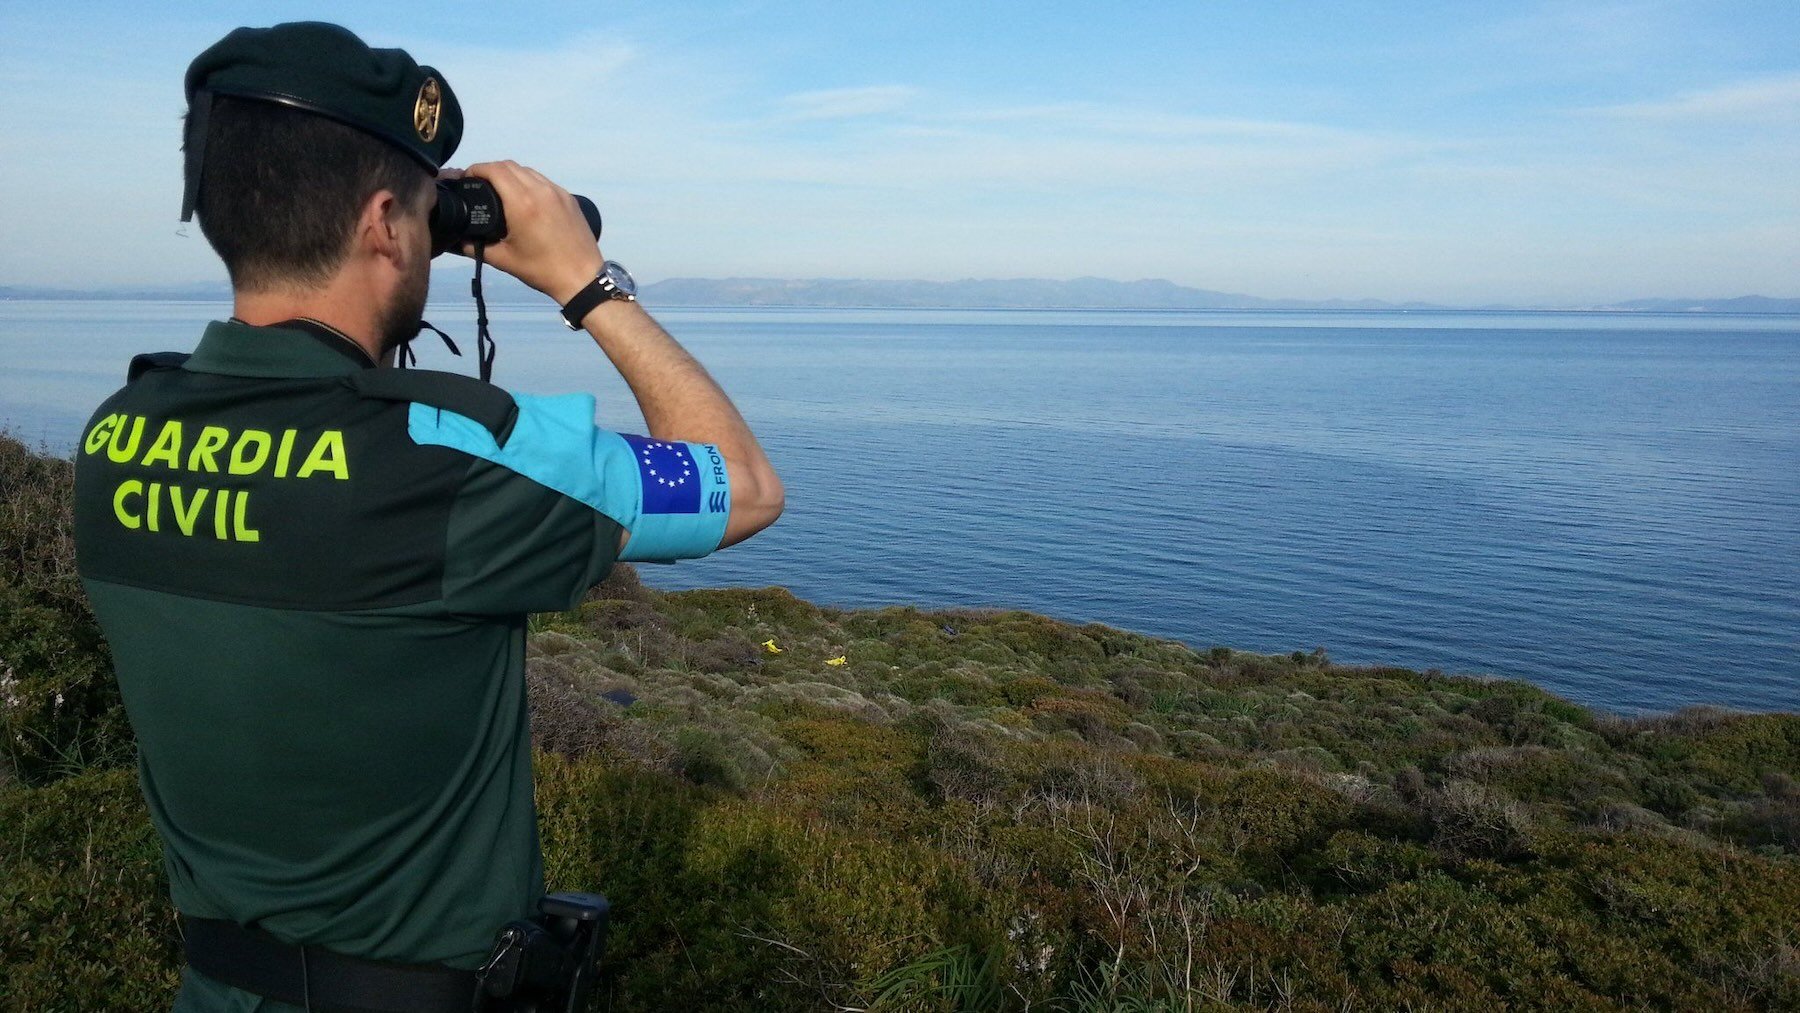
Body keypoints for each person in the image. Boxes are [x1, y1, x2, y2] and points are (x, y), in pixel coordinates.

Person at [70, 21, 782, 1012]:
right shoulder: (442, 457)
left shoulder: (119, 432)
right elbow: (744, 484)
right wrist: (589, 282)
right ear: (384, 223)